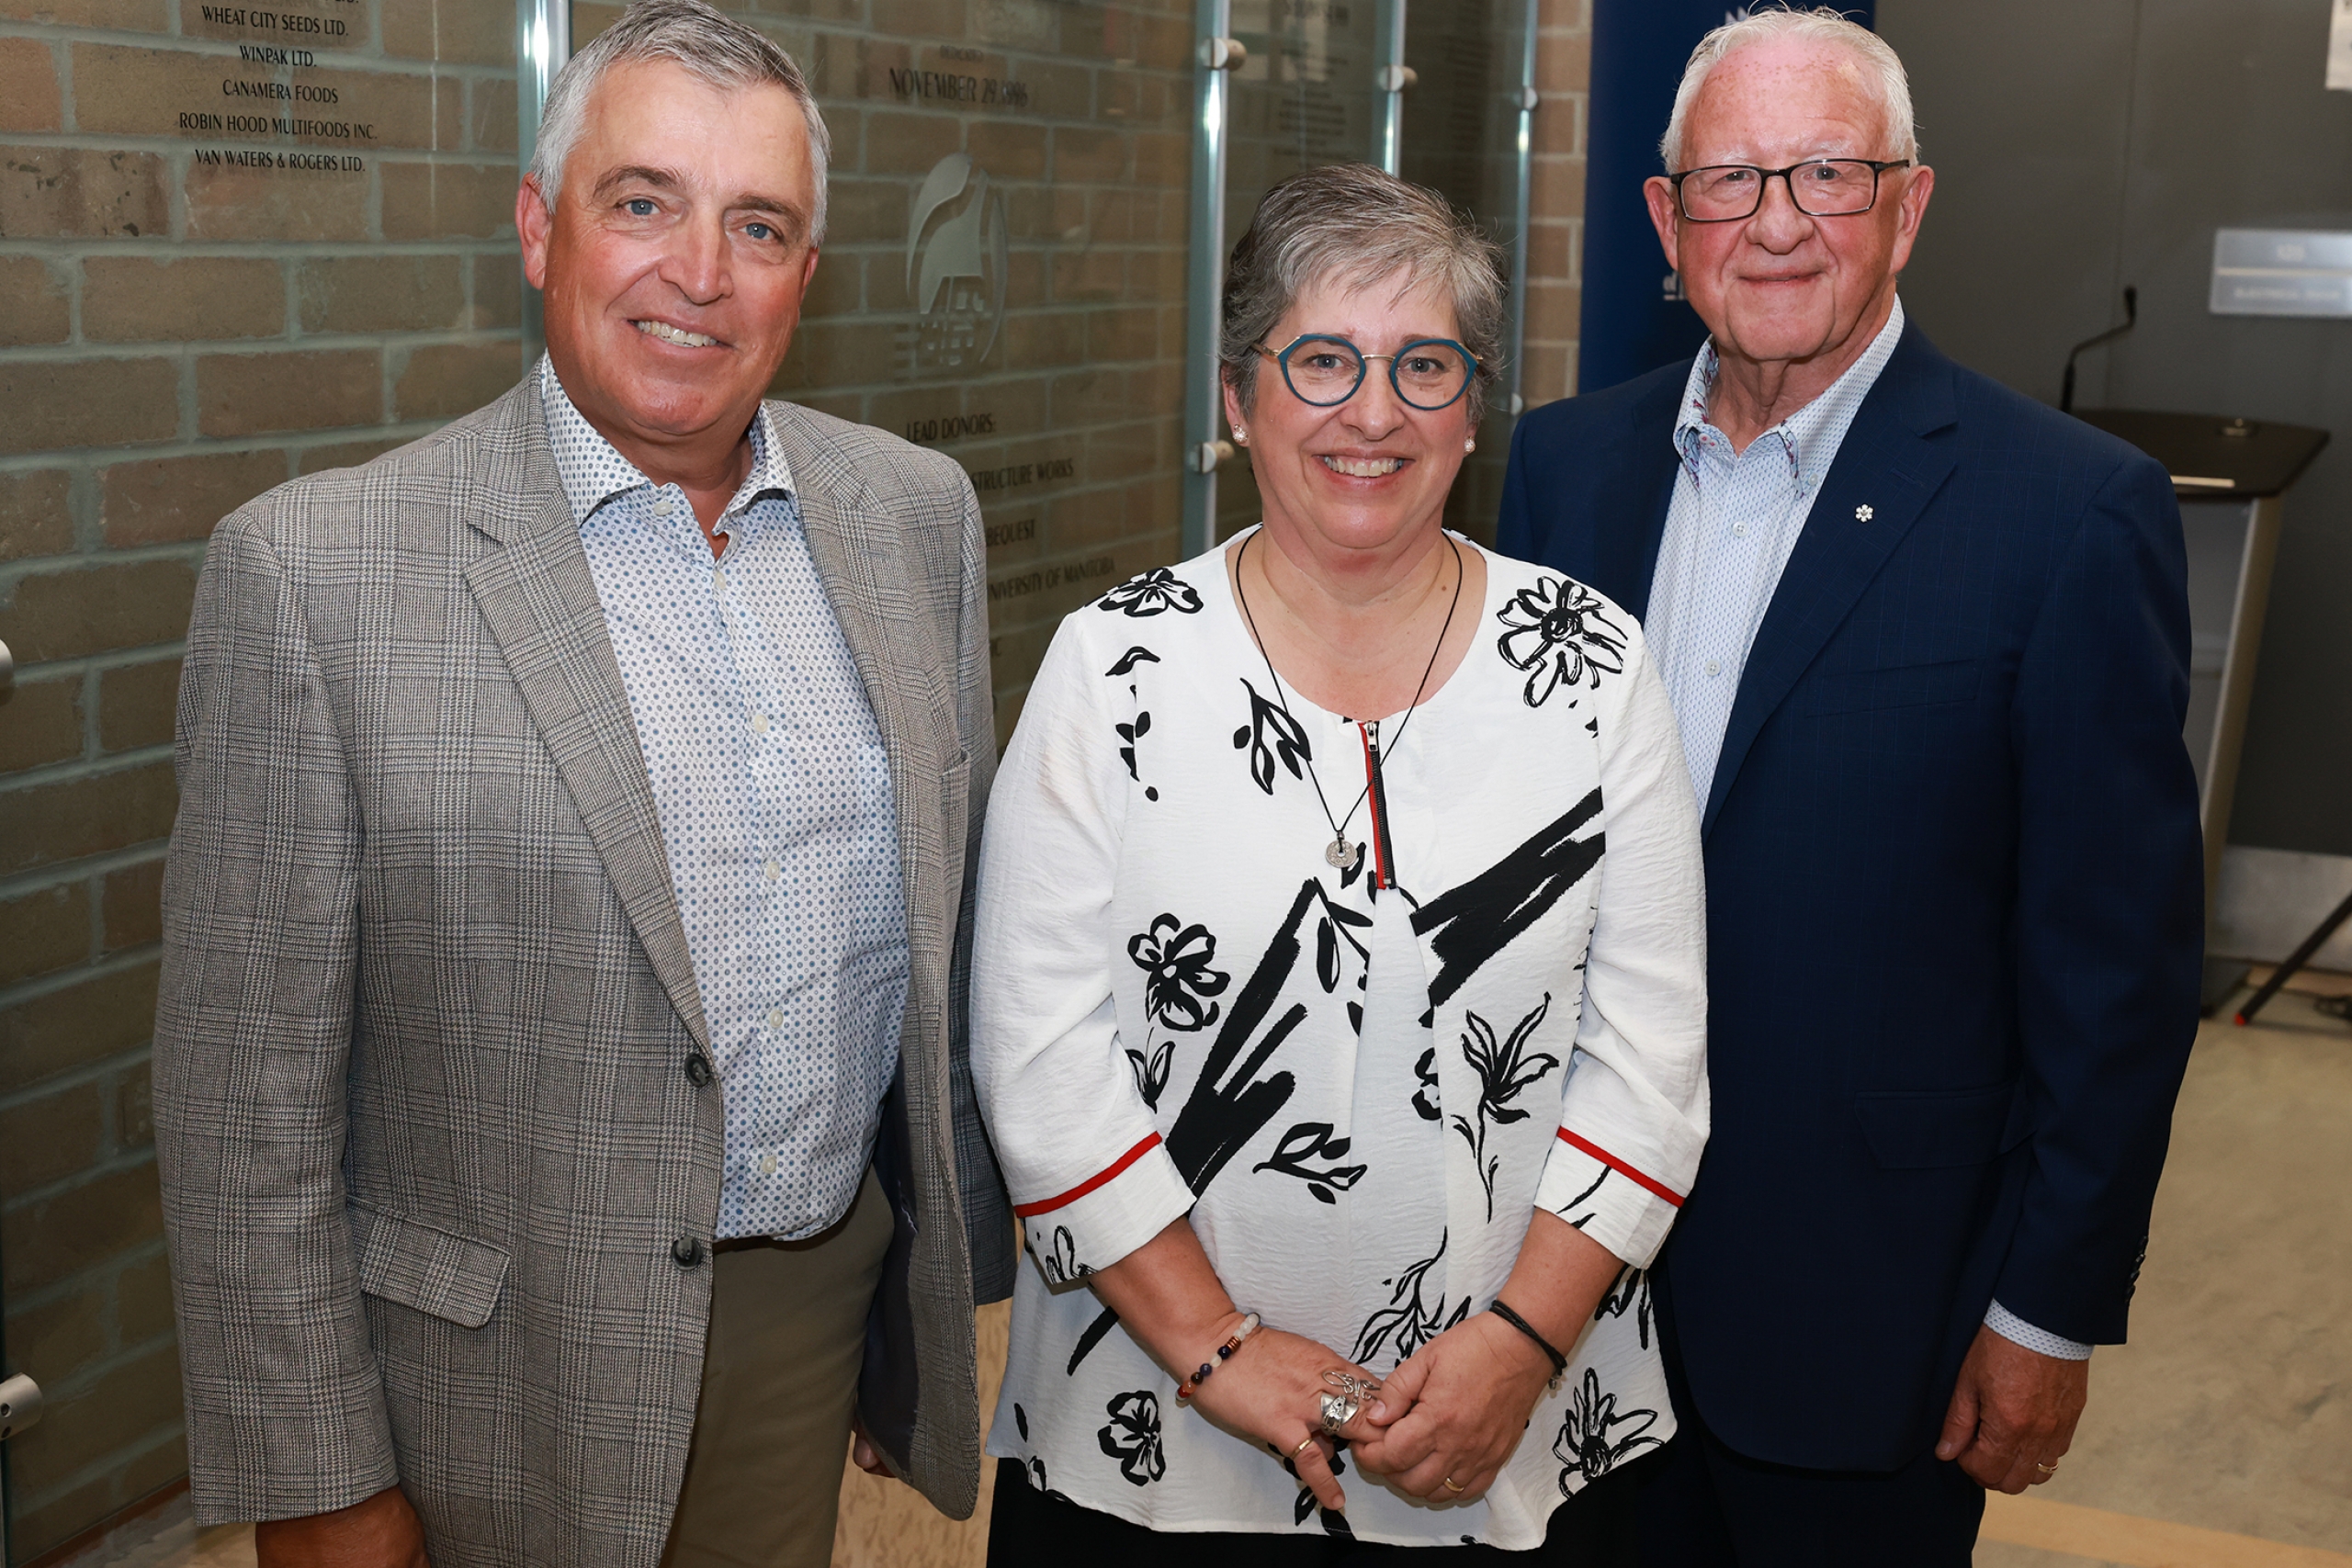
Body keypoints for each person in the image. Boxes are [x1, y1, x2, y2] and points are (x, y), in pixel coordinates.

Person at [150, 5, 1010, 1564]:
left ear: (807, 276)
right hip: (476, 1374)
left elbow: (937, 977)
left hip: (804, 1299)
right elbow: (238, 1105)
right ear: (540, 229)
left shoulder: (913, 519)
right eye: (643, 203)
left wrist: (906, 1316)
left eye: (759, 225)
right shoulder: (315, 574)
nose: (700, 271)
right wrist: (323, 1482)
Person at [1496, 9, 2204, 1562]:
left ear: (1909, 205)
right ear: (1662, 217)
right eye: (1731, 178)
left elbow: (2120, 975)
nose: (1774, 224)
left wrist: (2051, 1311)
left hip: (1872, 1324)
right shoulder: (1564, 471)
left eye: (1826, 173)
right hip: (1552, 1306)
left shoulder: (2070, 517)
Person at [969, 163, 1709, 1562]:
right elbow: (1037, 1055)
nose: (1375, 413)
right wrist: (1219, 1348)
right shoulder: (1115, 670)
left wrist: (1517, 1349)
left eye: (1424, 364)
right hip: (1158, 1420)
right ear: (1241, 397)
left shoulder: (1596, 667)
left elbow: (1653, 1057)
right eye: (1323, 360)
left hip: (1515, 1420)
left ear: (1471, 406)